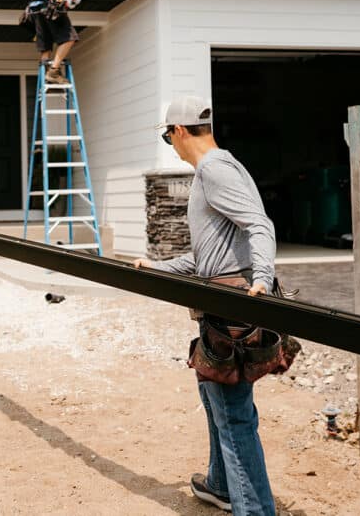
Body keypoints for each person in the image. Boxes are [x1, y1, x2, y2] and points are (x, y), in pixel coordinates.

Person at [133, 95, 277, 515]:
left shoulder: (214, 171)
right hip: (216, 297)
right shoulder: (219, 167)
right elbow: (209, 256)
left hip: (231, 304)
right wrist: (157, 267)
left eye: (167, 136)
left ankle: (254, 509)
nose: (170, 145)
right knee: (211, 388)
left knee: (233, 414)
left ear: (178, 131)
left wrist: (263, 279)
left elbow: (259, 225)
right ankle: (221, 484)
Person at [27, 0, 81, 85]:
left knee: (46, 42)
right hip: (50, 7)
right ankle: (53, 72)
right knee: (70, 37)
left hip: (34, 9)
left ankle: (46, 75)